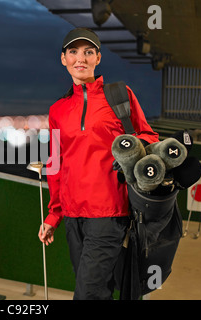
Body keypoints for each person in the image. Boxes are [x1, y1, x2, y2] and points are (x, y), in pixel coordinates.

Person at [38, 28, 159, 300]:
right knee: (98, 291)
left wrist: (130, 152)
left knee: (87, 294)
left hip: (108, 212)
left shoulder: (119, 95)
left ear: (98, 58)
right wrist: (54, 215)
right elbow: (56, 163)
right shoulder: (58, 109)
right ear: (63, 59)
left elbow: (149, 137)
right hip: (72, 215)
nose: (81, 58)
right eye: (74, 52)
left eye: (88, 52)